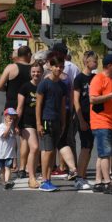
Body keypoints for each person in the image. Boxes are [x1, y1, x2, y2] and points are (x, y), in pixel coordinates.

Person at [35, 52, 78, 191]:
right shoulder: (44, 84)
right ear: (50, 67)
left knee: (53, 151)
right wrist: (39, 123)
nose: (59, 69)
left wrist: (64, 121)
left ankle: (48, 179)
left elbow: (62, 105)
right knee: (47, 151)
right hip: (46, 120)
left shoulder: (62, 85)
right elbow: (38, 105)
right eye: (57, 67)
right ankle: (44, 180)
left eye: (61, 67)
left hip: (58, 121)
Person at [89, 54, 112, 194]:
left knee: (102, 153)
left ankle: (98, 182)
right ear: (109, 66)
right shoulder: (99, 78)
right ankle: (108, 183)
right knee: (105, 154)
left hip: (109, 122)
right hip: (101, 122)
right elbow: (93, 99)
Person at [0, 46, 32, 173]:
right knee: (25, 136)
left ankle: (13, 163)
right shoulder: (32, 69)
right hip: (27, 103)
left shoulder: (11, 68)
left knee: (9, 135)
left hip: (11, 104)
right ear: (28, 54)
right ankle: (24, 165)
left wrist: (9, 89)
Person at [73, 51, 97, 190]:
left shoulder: (95, 77)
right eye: (94, 61)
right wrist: (81, 120)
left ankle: (83, 174)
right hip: (84, 117)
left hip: (94, 117)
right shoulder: (79, 78)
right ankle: (79, 177)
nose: (96, 63)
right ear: (86, 62)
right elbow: (76, 100)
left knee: (90, 147)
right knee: (85, 146)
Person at [17, 63, 43, 189]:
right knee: (35, 147)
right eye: (33, 72)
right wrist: (16, 124)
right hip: (27, 122)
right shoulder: (25, 87)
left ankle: (32, 171)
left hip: (41, 122)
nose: (36, 74)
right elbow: (20, 107)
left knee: (38, 149)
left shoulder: (44, 86)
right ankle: (31, 178)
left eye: (38, 72)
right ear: (30, 73)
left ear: (42, 73)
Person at [0, 108, 18, 190]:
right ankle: (4, 182)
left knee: (8, 168)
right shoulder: (2, 126)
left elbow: (14, 143)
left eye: (13, 118)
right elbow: (4, 136)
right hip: (1, 154)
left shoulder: (12, 128)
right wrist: (8, 127)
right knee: (2, 170)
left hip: (9, 154)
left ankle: (7, 181)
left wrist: (15, 159)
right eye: (10, 118)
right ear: (5, 117)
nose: (11, 120)